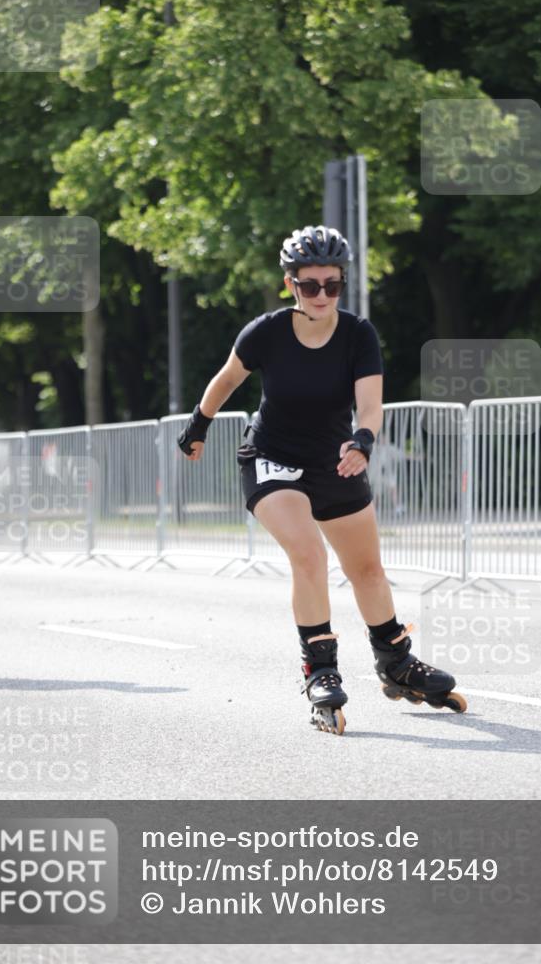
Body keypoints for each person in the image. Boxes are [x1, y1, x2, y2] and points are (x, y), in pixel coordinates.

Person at [178, 225, 465, 734]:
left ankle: (396, 664)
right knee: (309, 555)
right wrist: (197, 426)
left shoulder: (358, 334)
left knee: (369, 571)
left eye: (332, 285)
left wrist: (363, 443)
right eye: (310, 286)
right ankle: (321, 671)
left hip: (335, 459)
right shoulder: (265, 332)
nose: (322, 296)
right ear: (290, 284)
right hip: (271, 457)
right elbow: (226, 380)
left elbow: (370, 405)